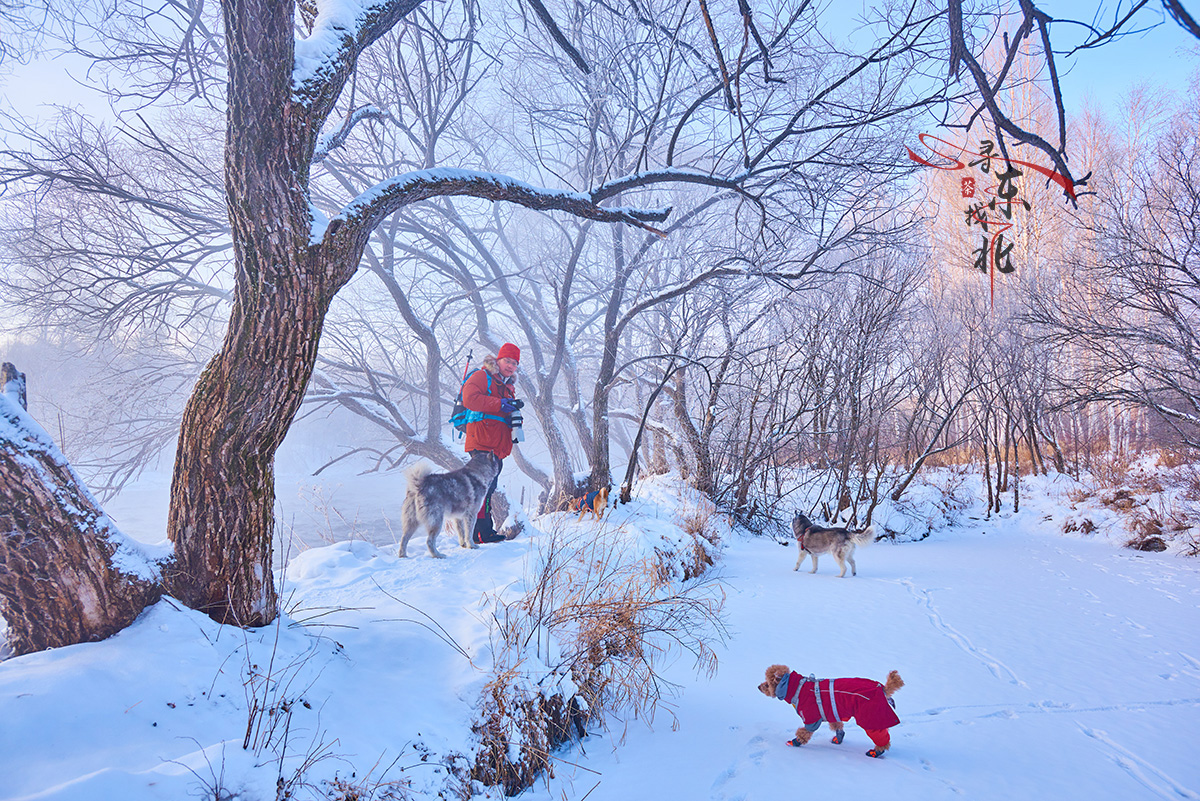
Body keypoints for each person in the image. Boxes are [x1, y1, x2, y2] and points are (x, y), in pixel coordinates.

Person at [461, 342, 523, 543]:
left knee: (489, 488)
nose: (511, 366)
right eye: (507, 360)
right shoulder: (482, 376)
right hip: (482, 442)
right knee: (482, 489)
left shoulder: (507, 386)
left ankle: (484, 531)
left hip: (496, 445)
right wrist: (500, 404)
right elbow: (469, 399)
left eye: (514, 363)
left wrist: (514, 414)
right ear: (498, 359)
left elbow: (504, 413)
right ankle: (480, 533)